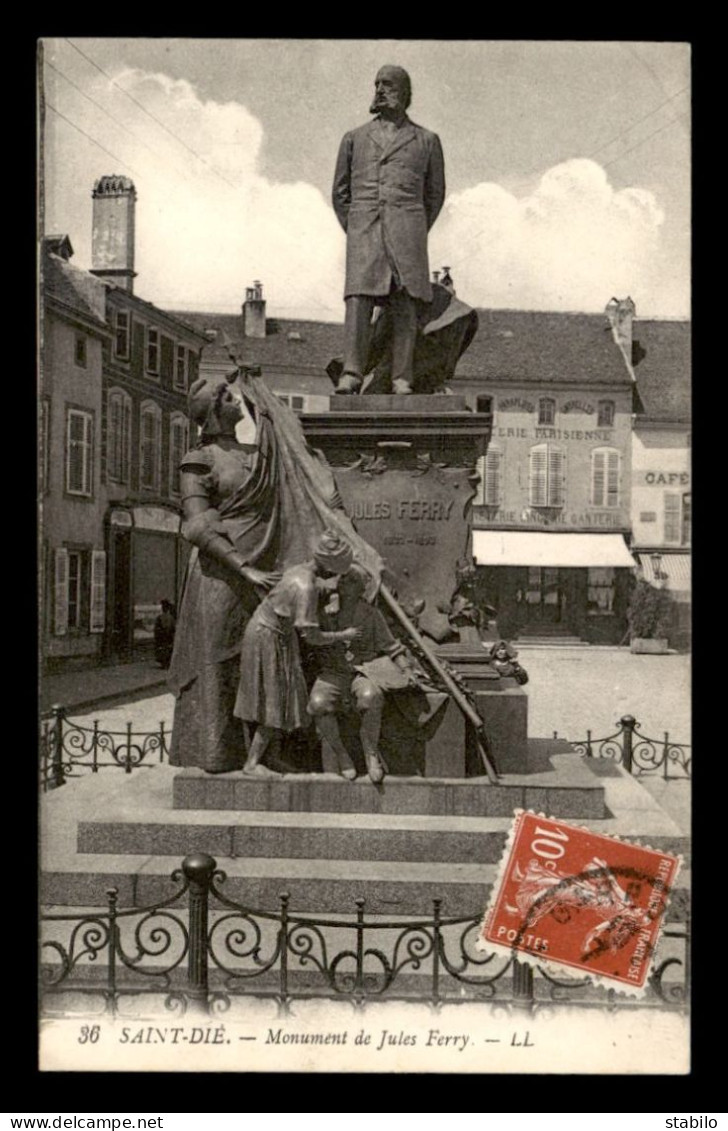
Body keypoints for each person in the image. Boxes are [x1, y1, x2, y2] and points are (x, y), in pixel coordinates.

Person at [167, 377, 281, 774]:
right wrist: (242, 566)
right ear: (215, 410)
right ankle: (217, 756)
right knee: (219, 664)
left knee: (263, 660)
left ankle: (262, 755)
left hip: (264, 569)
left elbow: (282, 442)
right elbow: (196, 526)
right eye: (228, 397)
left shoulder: (256, 454)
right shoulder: (199, 459)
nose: (236, 401)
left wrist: (257, 389)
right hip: (221, 576)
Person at [331, 64, 446, 394]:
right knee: (359, 301)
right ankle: (351, 372)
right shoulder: (354, 139)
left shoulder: (426, 140)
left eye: (389, 84)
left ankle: (401, 377)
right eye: (377, 84)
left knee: (405, 302)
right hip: (364, 230)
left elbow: (434, 195)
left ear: (405, 93)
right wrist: (356, 229)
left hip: (408, 231)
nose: (381, 90)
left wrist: (413, 227)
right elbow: (340, 194)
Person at [234, 530, 362, 778]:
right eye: (337, 572)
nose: (337, 577)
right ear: (329, 567)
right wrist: (343, 635)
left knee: (282, 702)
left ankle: (268, 758)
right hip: (267, 639)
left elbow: (314, 589)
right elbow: (311, 637)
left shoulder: (302, 570)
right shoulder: (307, 586)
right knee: (274, 703)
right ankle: (252, 764)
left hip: (272, 634)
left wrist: (333, 594)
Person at [307, 563, 417, 783]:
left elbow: (391, 646)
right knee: (317, 703)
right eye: (342, 580)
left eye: (350, 581)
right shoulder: (326, 612)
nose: (343, 584)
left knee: (371, 696)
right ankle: (342, 756)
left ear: (361, 588)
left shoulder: (371, 614)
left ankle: (371, 755)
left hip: (363, 670)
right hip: (333, 672)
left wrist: (406, 669)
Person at [153, 600, 176, 668]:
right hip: (167, 637)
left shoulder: (162, 617)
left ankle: (164, 662)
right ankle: (165, 662)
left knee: (164, 649)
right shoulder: (170, 618)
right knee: (166, 649)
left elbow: (157, 628)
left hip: (164, 637)